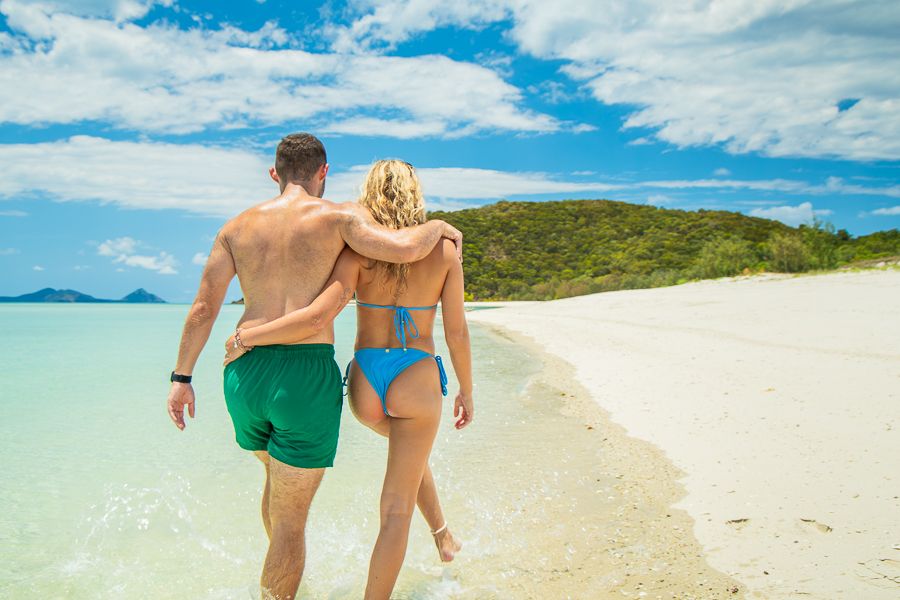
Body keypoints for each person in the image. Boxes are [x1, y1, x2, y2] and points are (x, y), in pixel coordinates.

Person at [165, 135, 462, 600]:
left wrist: (181, 378)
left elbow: (203, 308)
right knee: (291, 523)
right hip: (302, 375)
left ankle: (277, 577)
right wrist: (439, 226)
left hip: (241, 374)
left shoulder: (234, 227)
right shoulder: (340, 217)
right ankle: (280, 584)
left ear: (273, 173)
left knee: (274, 484)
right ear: (323, 172)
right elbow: (402, 251)